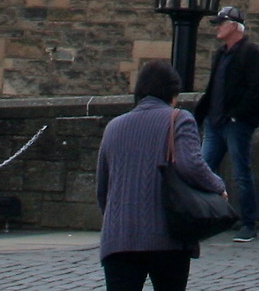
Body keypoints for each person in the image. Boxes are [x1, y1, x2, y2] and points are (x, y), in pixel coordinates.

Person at [97, 60, 226, 291]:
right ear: (173, 93)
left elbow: (103, 189)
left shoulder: (113, 127)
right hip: (167, 236)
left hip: (119, 238)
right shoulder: (179, 119)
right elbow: (191, 165)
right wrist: (218, 186)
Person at [193, 6, 259, 242]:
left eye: (221, 23)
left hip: (235, 123)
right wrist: (202, 114)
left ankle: (248, 223)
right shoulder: (221, 54)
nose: (217, 27)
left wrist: (237, 115)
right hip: (216, 122)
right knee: (203, 170)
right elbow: (214, 88)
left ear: (234, 26)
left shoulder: (251, 53)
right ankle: (206, 219)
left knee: (240, 174)